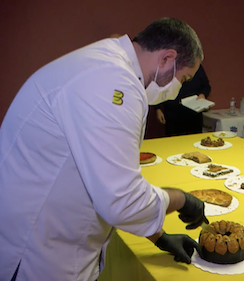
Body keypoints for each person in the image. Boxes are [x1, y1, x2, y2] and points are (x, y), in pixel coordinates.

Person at [0, 18, 209, 280]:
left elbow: (105, 179)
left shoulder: (105, 63)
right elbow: (121, 198)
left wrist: (160, 237)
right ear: (167, 58)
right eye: (184, 78)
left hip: (49, 231)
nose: (179, 90)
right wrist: (180, 199)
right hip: (40, 252)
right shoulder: (114, 81)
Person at [154, 64, 211, 136]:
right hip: (173, 113)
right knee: (173, 141)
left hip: (194, 113)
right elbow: (159, 88)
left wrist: (203, 94)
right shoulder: (169, 66)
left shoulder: (196, 66)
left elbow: (206, 86)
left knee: (194, 140)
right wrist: (158, 108)